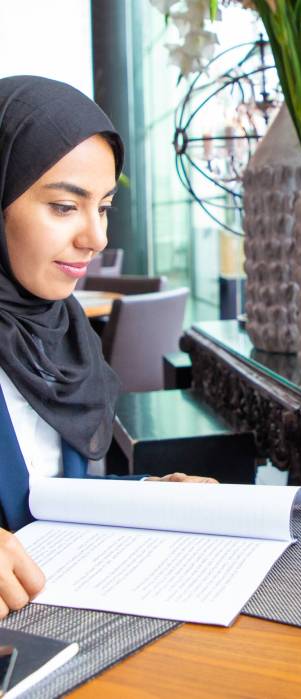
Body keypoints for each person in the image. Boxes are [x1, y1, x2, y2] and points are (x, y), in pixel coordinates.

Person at [0, 75, 213, 619]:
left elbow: (45, 495)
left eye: (104, 207)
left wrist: (145, 496)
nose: (96, 238)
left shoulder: (62, 333)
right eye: (65, 207)